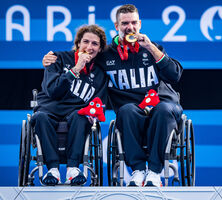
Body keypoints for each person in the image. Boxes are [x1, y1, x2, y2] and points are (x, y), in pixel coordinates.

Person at [43, 4, 183, 187]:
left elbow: (175, 75)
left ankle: (155, 172)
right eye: (125, 23)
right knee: (126, 110)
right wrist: (52, 59)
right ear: (116, 26)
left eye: (133, 23)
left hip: (163, 104)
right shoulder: (105, 55)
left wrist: (150, 47)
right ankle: (139, 170)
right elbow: (83, 53)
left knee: (163, 109)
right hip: (132, 110)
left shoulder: (152, 47)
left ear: (139, 24)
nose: (130, 27)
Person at [33, 24, 107, 186]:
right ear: (78, 43)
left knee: (82, 116)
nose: (89, 47)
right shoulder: (57, 59)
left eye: (95, 44)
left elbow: (99, 102)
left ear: (100, 49)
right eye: (85, 42)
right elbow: (53, 91)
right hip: (49, 107)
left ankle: (73, 168)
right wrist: (77, 68)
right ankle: (52, 169)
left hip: (75, 112)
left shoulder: (101, 73)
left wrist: (94, 112)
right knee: (40, 118)